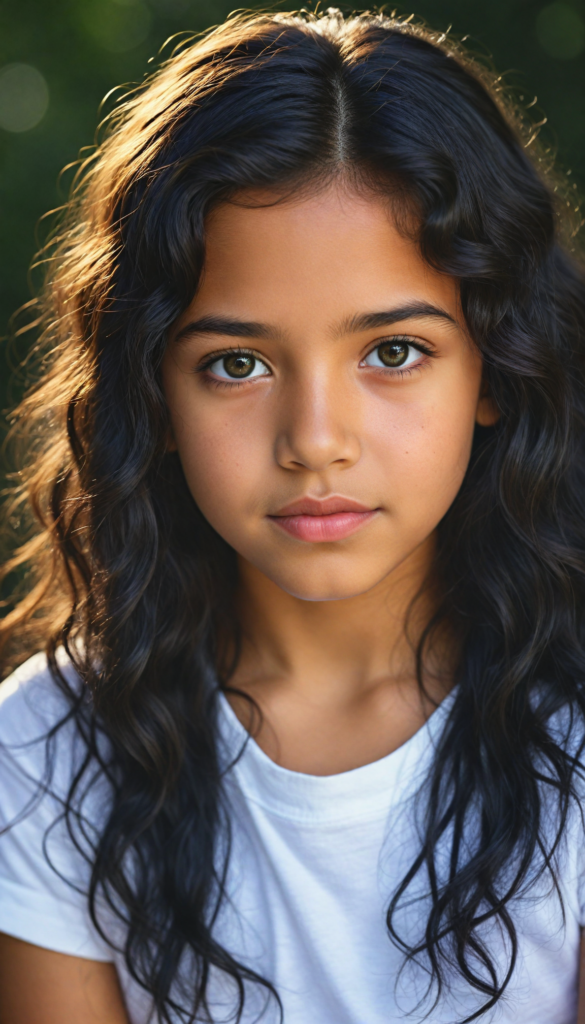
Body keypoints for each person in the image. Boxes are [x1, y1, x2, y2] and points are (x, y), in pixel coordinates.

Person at [0, 8, 584, 1023]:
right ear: (153, 394)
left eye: (393, 351)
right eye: (238, 363)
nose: (315, 438)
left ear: (497, 361)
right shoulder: (45, 755)